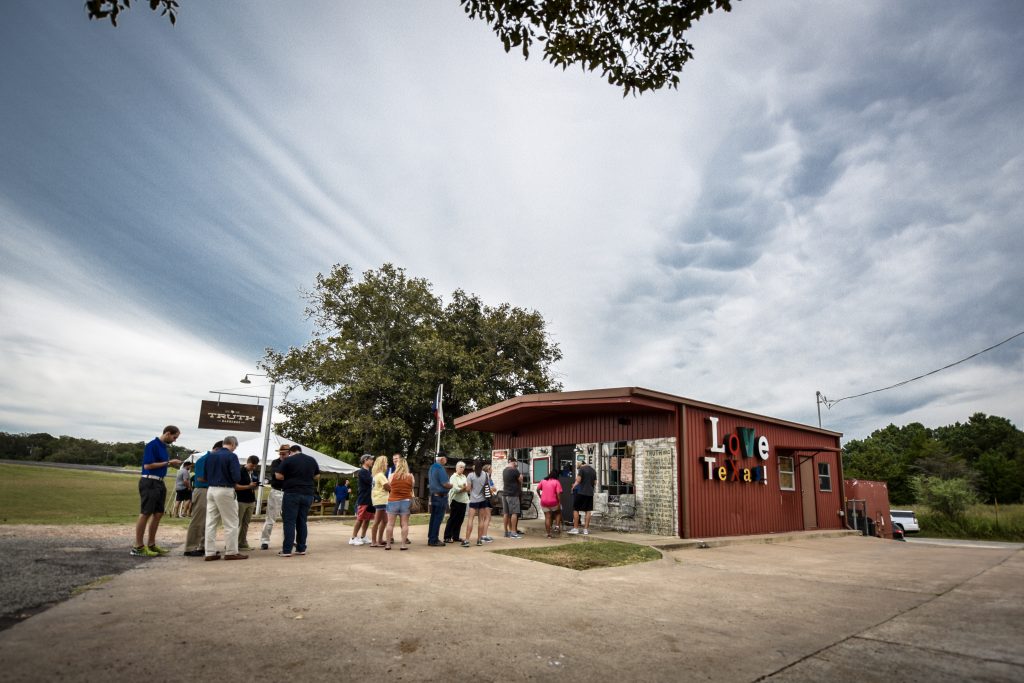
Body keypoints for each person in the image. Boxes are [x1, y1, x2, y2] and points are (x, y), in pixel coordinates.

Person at [131, 426, 182, 557]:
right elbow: (147, 465)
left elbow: (163, 463)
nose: (175, 440)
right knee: (145, 513)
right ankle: (138, 547)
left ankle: (151, 544)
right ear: (168, 433)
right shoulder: (152, 445)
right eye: (174, 437)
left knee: (159, 513)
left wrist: (169, 463)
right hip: (149, 482)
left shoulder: (164, 447)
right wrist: (169, 462)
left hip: (160, 482)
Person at [204, 436, 246, 561]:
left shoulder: (211, 455)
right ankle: (231, 551)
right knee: (231, 522)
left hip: (211, 489)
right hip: (225, 489)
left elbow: (205, 475)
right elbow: (236, 477)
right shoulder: (232, 456)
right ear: (233, 444)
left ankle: (209, 552)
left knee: (211, 522)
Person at [276, 444, 320, 557]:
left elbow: (278, 476)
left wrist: (291, 477)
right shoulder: (311, 460)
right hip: (308, 494)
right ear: (300, 451)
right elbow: (317, 476)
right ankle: (301, 548)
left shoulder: (288, 460)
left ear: (291, 452)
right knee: (302, 521)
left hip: (292, 493)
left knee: (289, 522)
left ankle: (287, 550)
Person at [183, 441, 219, 557]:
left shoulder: (213, 460)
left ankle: (204, 546)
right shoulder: (204, 459)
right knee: (198, 520)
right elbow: (201, 478)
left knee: (209, 521)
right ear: (217, 449)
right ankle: (190, 547)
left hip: (210, 490)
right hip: (202, 490)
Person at [259, 444, 292, 550]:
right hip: (277, 491)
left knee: (289, 519)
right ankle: (265, 540)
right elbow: (278, 476)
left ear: (289, 453)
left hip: (288, 492)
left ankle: (289, 540)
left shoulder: (292, 462)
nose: (282, 455)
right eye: (280, 453)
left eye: (284, 453)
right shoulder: (275, 462)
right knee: (270, 518)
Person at [384, 457, 415, 550]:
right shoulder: (410, 476)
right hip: (406, 501)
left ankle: (388, 544)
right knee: (404, 524)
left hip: (393, 500)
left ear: (397, 465)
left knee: (390, 524)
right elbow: (411, 487)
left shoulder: (392, 476)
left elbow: (389, 487)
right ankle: (403, 545)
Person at [426, 452, 452, 546]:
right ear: (442, 459)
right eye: (446, 459)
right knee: (438, 518)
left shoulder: (432, 467)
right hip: (441, 496)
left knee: (433, 518)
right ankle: (434, 539)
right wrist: (452, 485)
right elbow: (445, 483)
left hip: (434, 495)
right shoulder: (440, 468)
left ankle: (431, 537)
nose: (446, 460)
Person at [462, 459, 488, 547]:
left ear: (474, 466)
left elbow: (468, 489)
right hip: (483, 500)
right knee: (481, 520)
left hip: (473, 500)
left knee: (470, 520)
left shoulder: (470, 475)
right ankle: (479, 540)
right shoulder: (486, 474)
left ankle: (467, 540)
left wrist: (465, 487)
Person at [236, 455, 260, 551]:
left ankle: (242, 542)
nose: (253, 468)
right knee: (237, 523)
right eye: (251, 465)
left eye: (255, 466)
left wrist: (255, 485)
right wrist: (248, 486)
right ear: (247, 462)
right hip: (241, 500)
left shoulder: (254, 472)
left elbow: (255, 483)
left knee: (246, 523)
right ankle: (232, 543)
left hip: (251, 500)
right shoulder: (240, 471)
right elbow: (236, 486)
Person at [568, 456, 597, 535]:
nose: (577, 467)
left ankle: (576, 528)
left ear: (581, 464)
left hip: (581, 492)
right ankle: (585, 530)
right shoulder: (593, 470)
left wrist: (573, 486)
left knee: (576, 509)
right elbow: (595, 483)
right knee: (588, 510)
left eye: (577, 465)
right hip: (590, 493)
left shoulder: (582, 469)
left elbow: (578, 480)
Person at [349, 454, 374, 545]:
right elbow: (371, 481)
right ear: (365, 460)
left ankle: (363, 536)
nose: (372, 461)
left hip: (370, 499)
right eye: (371, 459)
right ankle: (353, 538)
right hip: (363, 499)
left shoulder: (369, 471)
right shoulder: (362, 472)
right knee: (360, 519)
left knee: (367, 518)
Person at [444, 460, 469, 544]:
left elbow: (467, 486)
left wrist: (464, 488)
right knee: (453, 518)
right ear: (456, 468)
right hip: (455, 500)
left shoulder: (464, 477)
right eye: (460, 467)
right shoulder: (453, 477)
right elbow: (455, 489)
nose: (462, 469)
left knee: (460, 519)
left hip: (464, 500)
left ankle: (456, 536)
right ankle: (447, 536)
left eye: (463, 467)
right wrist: (463, 489)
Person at [369, 455, 390, 548]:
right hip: (381, 499)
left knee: (385, 521)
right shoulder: (381, 475)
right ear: (382, 464)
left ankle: (380, 539)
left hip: (378, 499)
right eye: (386, 462)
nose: (387, 464)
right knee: (377, 521)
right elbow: (387, 487)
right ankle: (374, 541)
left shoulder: (376, 475)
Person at [536, 469, 564, 538]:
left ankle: (549, 534)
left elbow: (537, 489)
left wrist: (540, 496)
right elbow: (558, 493)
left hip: (544, 502)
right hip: (553, 501)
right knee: (558, 512)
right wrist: (559, 502)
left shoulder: (543, 481)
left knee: (547, 517)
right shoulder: (556, 482)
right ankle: (557, 526)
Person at [502, 457, 523, 539]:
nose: (516, 464)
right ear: (514, 462)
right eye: (516, 462)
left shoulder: (504, 470)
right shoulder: (515, 470)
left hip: (505, 494)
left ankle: (506, 532)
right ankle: (513, 532)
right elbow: (521, 480)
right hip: (513, 494)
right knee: (514, 513)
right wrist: (521, 476)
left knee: (506, 513)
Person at [480, 463, 496, 543]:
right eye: (490, 469)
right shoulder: (486, 477)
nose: (492, 470)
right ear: (487, 470)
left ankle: (483, 535)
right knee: (487, 517)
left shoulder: (488, 478)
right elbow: (490, 489)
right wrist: (492, 489)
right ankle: (483, 536)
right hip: (485, 499)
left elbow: (493, 488)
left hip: (485, 498)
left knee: (484, 518)